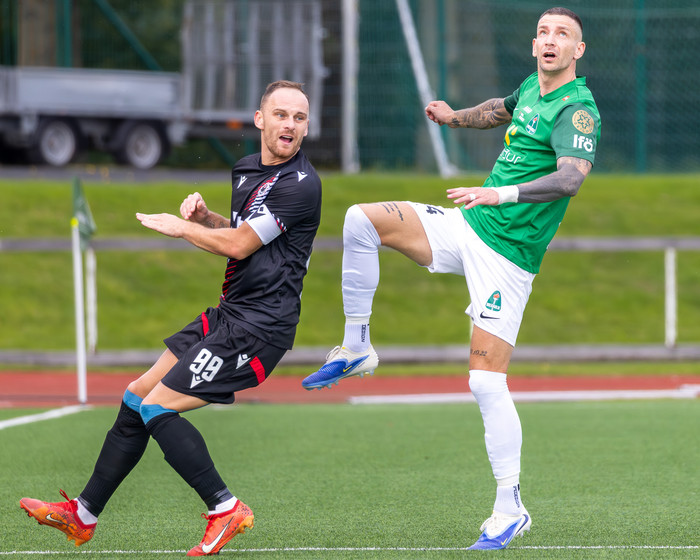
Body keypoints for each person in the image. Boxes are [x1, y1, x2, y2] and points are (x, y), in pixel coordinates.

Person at [302, 7, 600, 551]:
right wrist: (451, 117)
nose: (550, 40)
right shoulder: (531, 88)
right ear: (534, 43)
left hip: (508, 257)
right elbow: (497, 110)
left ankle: (510, 508)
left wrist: (498, 193)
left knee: (485, 383)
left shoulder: (576, 110)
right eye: (543, 32)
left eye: (563, 34)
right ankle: (357, 346)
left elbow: (569, 180)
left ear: (578, 50)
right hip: (469, 225)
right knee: (361, 220)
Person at [20, 80, 322, 556]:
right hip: (230, 313)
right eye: (281, 114)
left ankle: (225, 507)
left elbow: (240, 246)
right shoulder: (247, 170)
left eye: (299, 118)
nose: (290, 125)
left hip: (260, 328)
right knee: (136, 396)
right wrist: (206, 220)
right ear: (260, 119)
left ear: (306, 127)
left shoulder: (302, 184)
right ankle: (83, 515)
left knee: (158, 407)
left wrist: (182, 229)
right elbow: (245, 232)